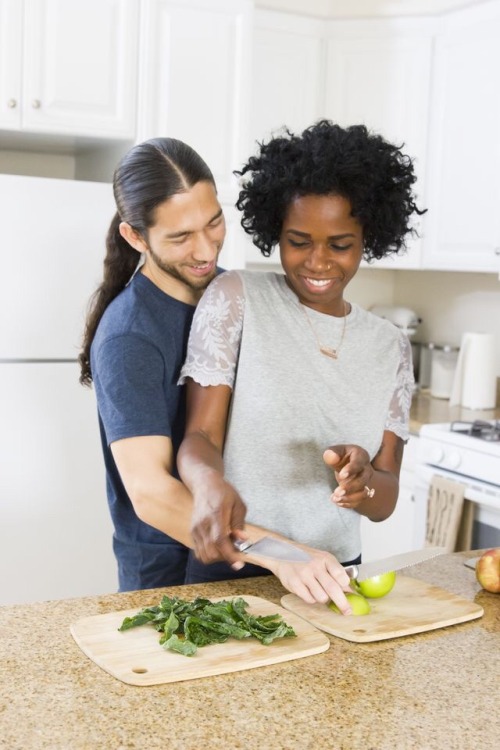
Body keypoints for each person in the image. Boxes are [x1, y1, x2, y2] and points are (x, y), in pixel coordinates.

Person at [78, 135, 353, 613]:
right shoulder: (130, 337)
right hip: (174, 580)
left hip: (260, 565)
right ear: (135, 237)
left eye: (214, 223)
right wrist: (280, 552)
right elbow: (151, 494)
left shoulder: (233, 294)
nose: (206, 250)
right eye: (181, 237)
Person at [177, 121, 423, 599]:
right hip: (239, 565)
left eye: (340, 244)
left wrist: (365, 482)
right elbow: (200, 436)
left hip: (333, 578)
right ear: (276, 232)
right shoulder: (237, 297)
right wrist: (207, 484)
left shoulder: (391, 346)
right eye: (298, 240)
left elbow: (385, 494)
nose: (317, 261)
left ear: (366, 238)